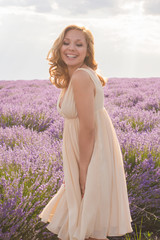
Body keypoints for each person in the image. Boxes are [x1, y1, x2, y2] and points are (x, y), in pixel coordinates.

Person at [38, 25, 133, 240]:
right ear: (59, 46)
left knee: (86, 226)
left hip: (91, 156)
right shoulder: (74, 76)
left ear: (88, 51)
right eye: (66, 42)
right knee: (86, 226)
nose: (71, 48)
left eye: (79, 44)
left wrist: (82, 172)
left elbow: (88, 129)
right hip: (87, 154)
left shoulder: (81, 76)